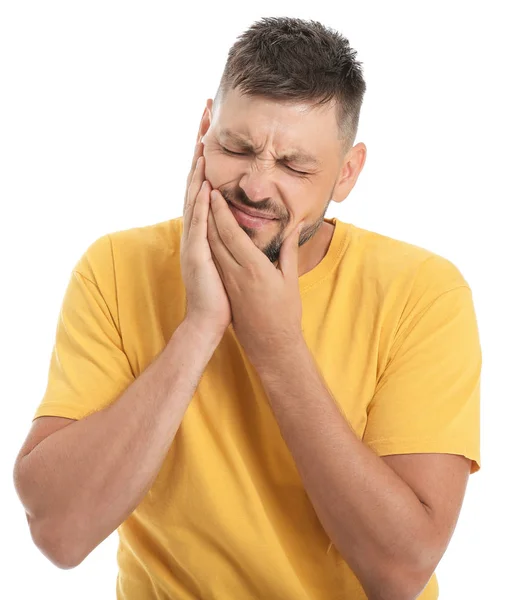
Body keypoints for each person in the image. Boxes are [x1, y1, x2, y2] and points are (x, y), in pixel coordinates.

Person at [12, 16, 481, 600]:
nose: (257, 188)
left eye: (295, 166)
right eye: (236, 148)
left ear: (347, 173)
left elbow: (399, 571)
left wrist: (277, 347)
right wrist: (200, 326)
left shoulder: (424, 293)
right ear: (204, 128)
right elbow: (58, 533)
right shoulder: (115, 267)